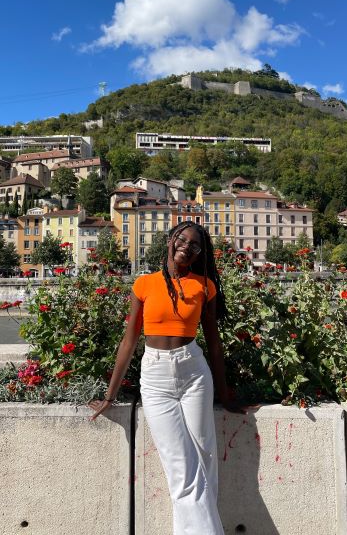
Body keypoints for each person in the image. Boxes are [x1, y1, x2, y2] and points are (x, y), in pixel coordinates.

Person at [89, 222, 242, 534]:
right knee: (181, 466)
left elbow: (213, 343)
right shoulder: (144, 284)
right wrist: (110, 395)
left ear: (200, 254)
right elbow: (129, 341)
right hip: (156, 376)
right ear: (171, 241)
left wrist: (225, 395)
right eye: (182, 239)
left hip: (194, 372)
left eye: (195, 245)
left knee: (205, 456)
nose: (187, 247)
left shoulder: (204, 286)